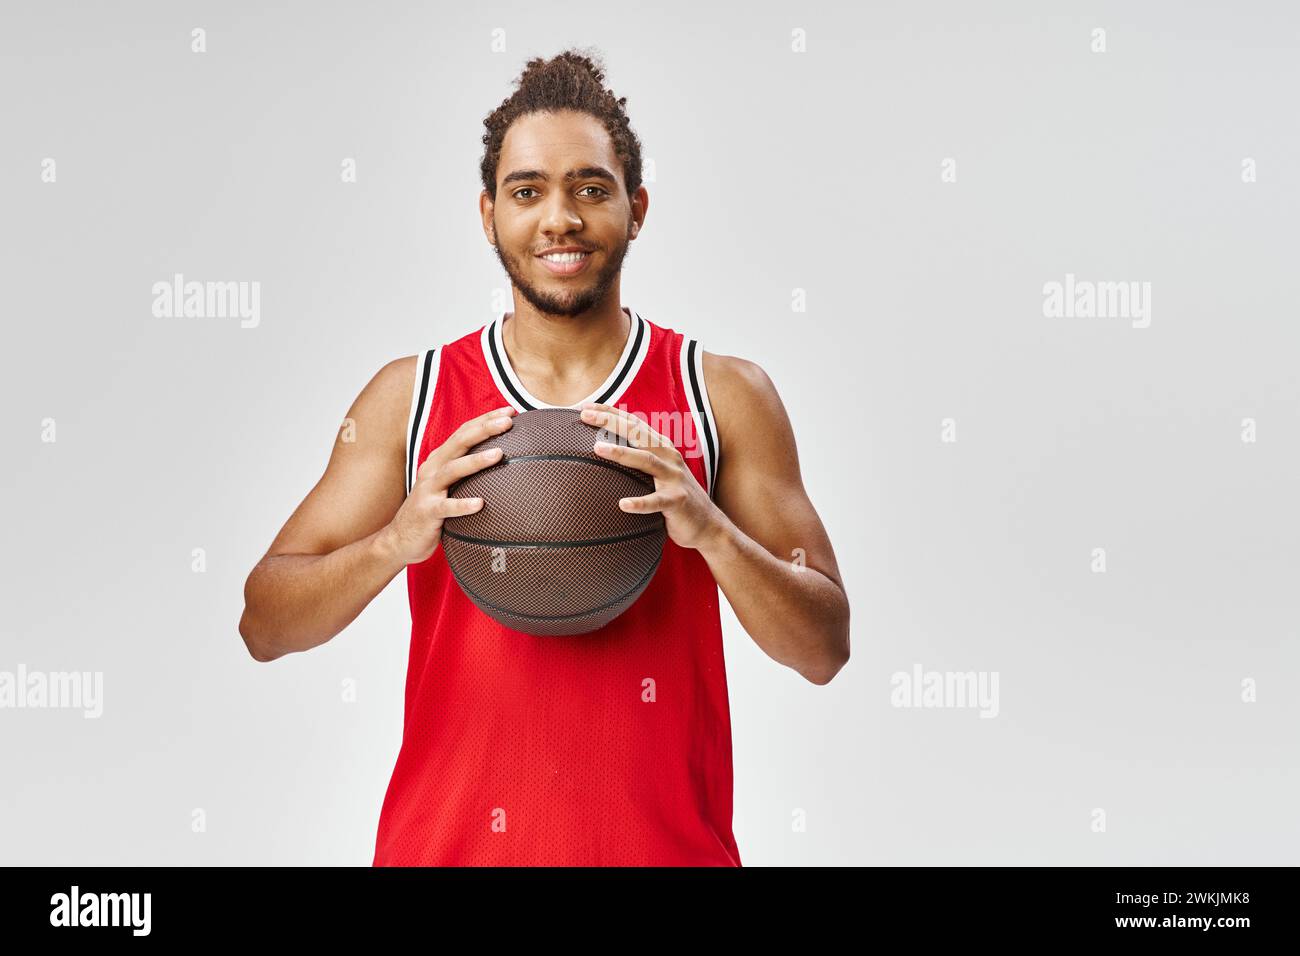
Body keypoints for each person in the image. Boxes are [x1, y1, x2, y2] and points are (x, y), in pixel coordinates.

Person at [238, 48, 849, 866]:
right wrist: (394, 543)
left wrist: (712, 533)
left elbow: (825, 648)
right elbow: (264, 624)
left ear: (637, 209)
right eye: (528, 192)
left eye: (590, 189)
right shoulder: (409, 397)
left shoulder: (722, 395)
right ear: (489, 214)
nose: (560, 218)